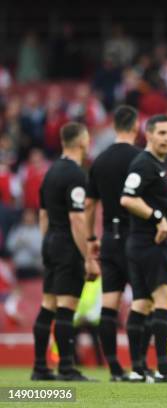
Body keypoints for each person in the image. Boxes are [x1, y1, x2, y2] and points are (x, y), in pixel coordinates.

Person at [120, 115, 167, 384]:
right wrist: (157, 218)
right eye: (161, 133)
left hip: (139, 243)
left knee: (142, 303)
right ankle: (164, 369)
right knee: (164, 301)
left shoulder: (152, 165)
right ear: (148, 134)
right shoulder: (145, 164)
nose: (166, 138)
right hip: (152, 242)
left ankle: (139, 369)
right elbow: (127, 198)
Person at [85, 105, 152, 382]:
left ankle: (114, 369)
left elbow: (89, 205)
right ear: (136, 126)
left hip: (109, 240)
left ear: (114, 127)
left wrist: (91, 239)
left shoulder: (99, 161)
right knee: (143, 303)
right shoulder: (141, 158)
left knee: (109, 305)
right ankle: (139, 366)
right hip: (135, 237)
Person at [32, 122, 98, 381]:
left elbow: (43, 214)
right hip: (68, 244)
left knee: (48, 304)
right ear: (82, 141)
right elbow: (78, 220)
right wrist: (87, 258)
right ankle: (67, 368)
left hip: (50, 240)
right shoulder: (75, 175)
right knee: (66, 307)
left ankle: (40, 368)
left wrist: (47, 244)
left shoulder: (50, 173)